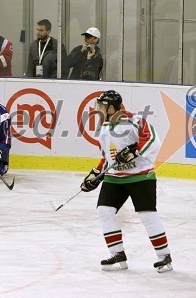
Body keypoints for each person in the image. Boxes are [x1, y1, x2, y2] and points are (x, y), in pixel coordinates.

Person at [80, 90, 172, 273]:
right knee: (104, 211)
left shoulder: (135, 121)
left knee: (147, 215)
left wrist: (134, 152)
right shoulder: (104, 129)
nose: (99, 109)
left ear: (112, 107)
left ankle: (164, 256)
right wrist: (96, 174)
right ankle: (117, 253)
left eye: (102, 106)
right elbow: (108, 158)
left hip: (140, 176)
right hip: (114, 178)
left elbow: (153, 140)